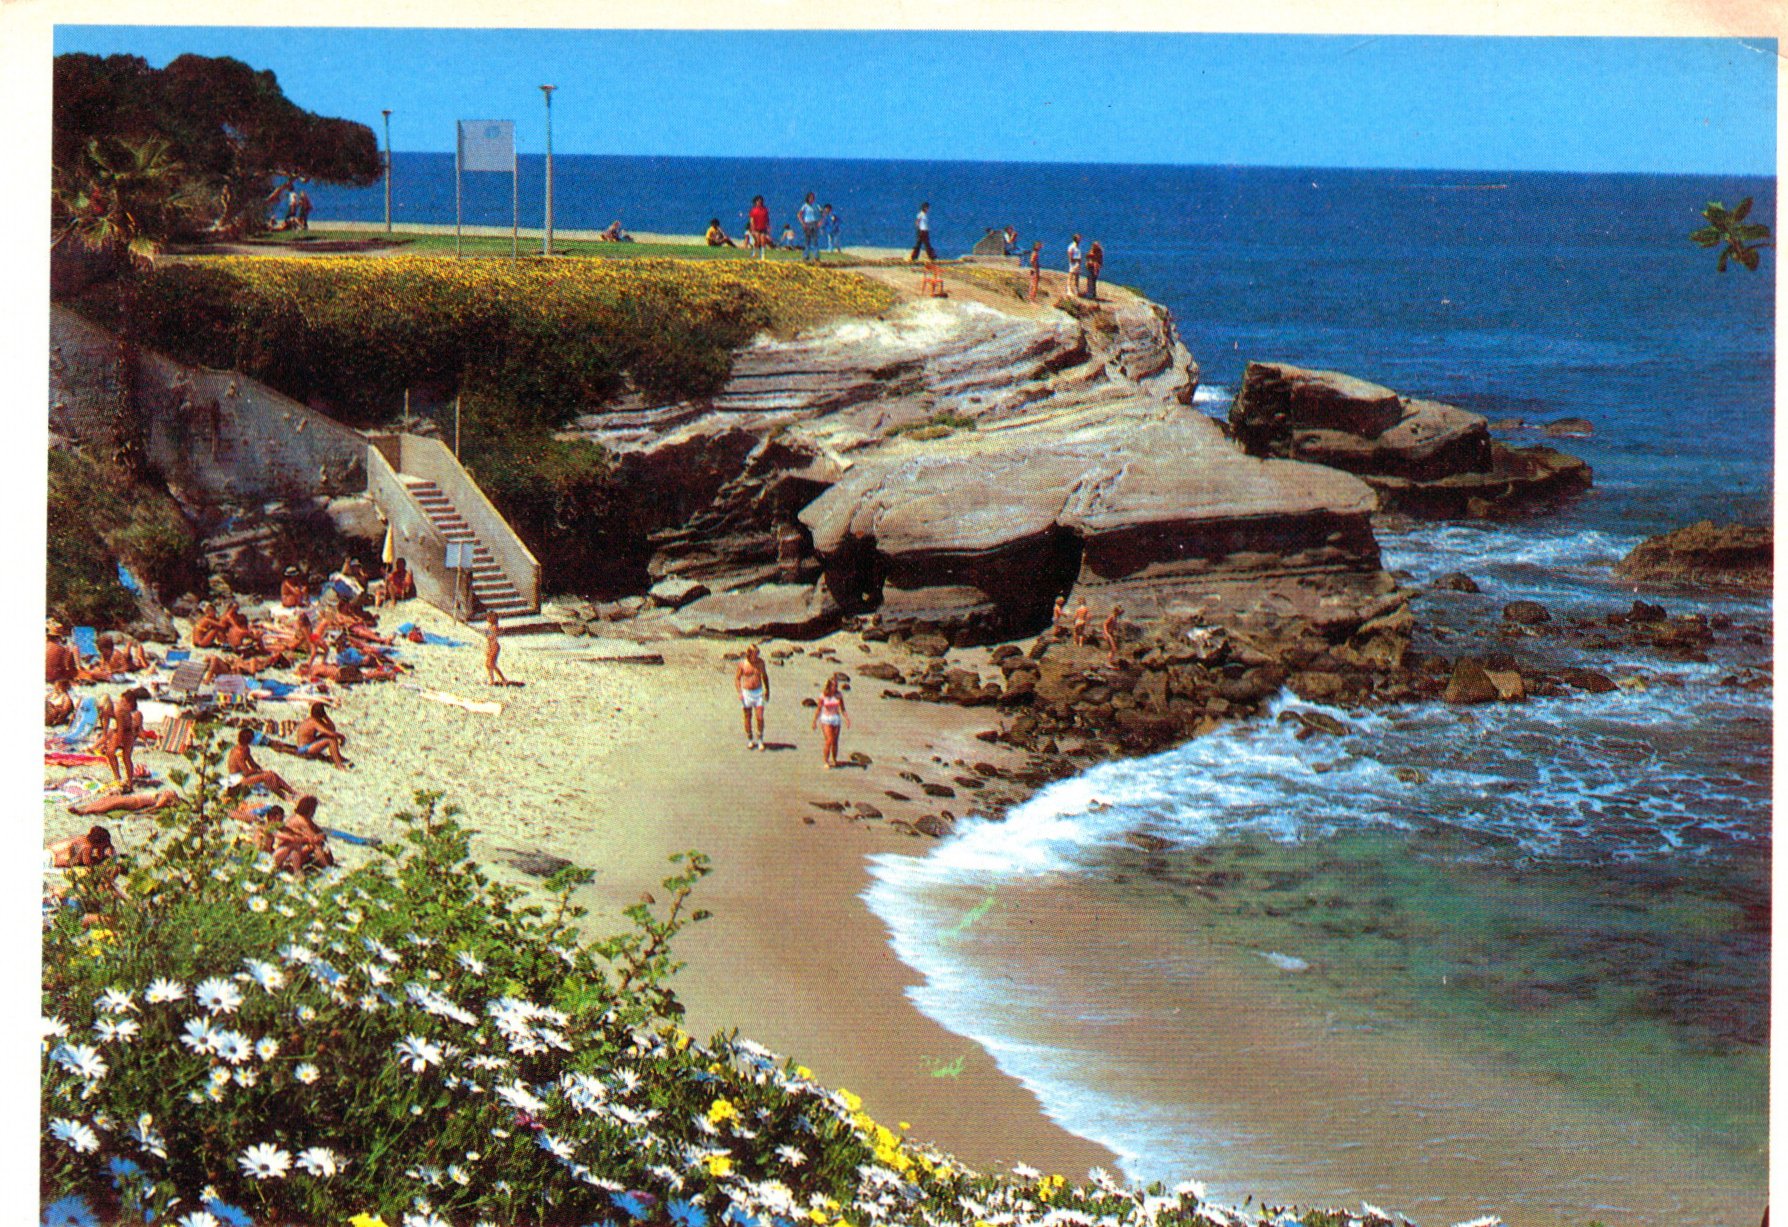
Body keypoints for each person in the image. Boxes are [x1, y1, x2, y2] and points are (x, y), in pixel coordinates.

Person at [225, 727, 296, 799]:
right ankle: (284, 796)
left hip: (242, 775)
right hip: (237, 780)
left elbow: (252, 763)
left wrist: (260, 770)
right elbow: (246, 772)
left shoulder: (245, 748)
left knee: (271, 774)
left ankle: (292, 791)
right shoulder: (239, 753)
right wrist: (259, 772)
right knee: (267, 776)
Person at [100, 687, 147, 792]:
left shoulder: (118, 711)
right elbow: (106, 722)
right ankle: (117, 778)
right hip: (119, 730)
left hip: (128, 731)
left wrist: (118, 742)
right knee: (110, 753)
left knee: (126, 757)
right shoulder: (106, 709)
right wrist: (104, 735)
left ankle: (130, 783)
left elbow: (121, 729)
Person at [274, 796, 334, 875]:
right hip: (289, 852)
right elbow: (314, 838)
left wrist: (321, 836)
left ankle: (327, 866)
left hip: (289, 849)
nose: (314, 812)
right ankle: (328, 870)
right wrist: (321, 837)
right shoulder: (301, 821)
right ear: (309, 809)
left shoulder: (299, 817)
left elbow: (318, 831)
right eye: (313, 809)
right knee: (315, 846)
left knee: (318, 845)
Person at [293, 701, 348, 769]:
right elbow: (329, 732)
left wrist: (325, 716)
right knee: (331, 741)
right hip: (305, 748)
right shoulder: (313, 722)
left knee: (331, 737)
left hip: (310, 743)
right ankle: (339, 765)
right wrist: (341, 736)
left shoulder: (314, 720)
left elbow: (331, 728)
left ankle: (338, 757)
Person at [811, 676, 851, 769]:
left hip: (836, 719)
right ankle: (826, 761)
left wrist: (847, 719)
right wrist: (814, 721)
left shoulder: (839, 695)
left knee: (835, 742)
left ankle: (834, 759)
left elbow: (842, 708)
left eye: (836, 686)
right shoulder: (823, 696)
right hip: (826, 719)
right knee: (829, 740)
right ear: (829, 686)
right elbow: (819, 709)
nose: (835, 687)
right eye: (834, 686)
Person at [735, 643, 770, 750]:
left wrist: (767, 690)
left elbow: (765, 676)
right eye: (754, 653)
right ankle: (750, 739)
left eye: (757, 653)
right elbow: (737, 679)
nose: (756, 656)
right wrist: (740, 692)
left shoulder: (761, 663)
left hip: (758, 692)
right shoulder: (743, 664)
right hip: (747, 693)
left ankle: (760, 740)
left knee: (760, 717)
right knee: (747, 717)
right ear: (749, 653)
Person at [69, 787, 179, 816]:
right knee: (106, 799)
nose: (167, 791)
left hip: (135, 802)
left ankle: (85, 811)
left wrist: (140, 813)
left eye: (169, 792)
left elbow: (154, 809)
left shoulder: (163, 799)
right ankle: (87, 807)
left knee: (112, 804)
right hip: (133, 798)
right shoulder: (162, 795)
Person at [798, 192, 823, 263]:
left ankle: (816, 256)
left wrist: (820, 221)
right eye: (810, 198)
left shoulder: (816, 205)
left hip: (814, 223)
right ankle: (806, 256)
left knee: (815, 240)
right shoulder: (805, 206)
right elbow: (799, 214)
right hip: (807, 223)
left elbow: (822, 213)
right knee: (807, 240)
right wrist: (802, 223)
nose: (811, 199)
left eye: (812, 198)